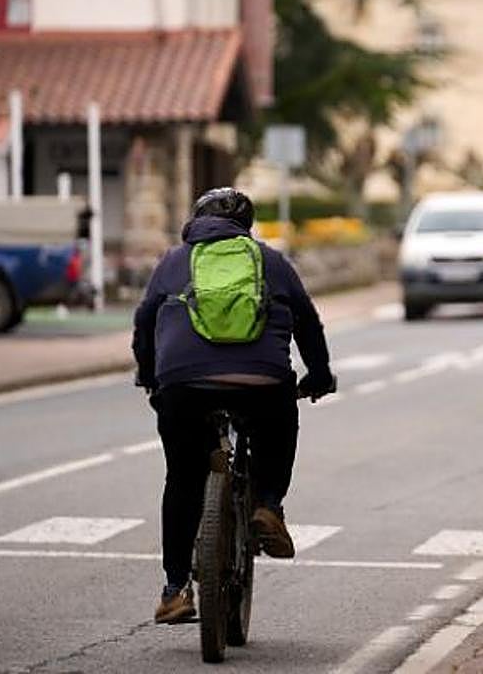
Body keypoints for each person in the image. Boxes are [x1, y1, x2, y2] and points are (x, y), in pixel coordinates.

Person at [132, 187, 336, 625]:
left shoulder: (172, 262)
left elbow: (144, 321)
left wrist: (149, 376)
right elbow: (308, 322)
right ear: (247, 225)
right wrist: (319, 375)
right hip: (260, 381)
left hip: (183, 385)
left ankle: (174, 590)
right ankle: (267, 505)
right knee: (278, 420)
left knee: (184, 478)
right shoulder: (271, 262)